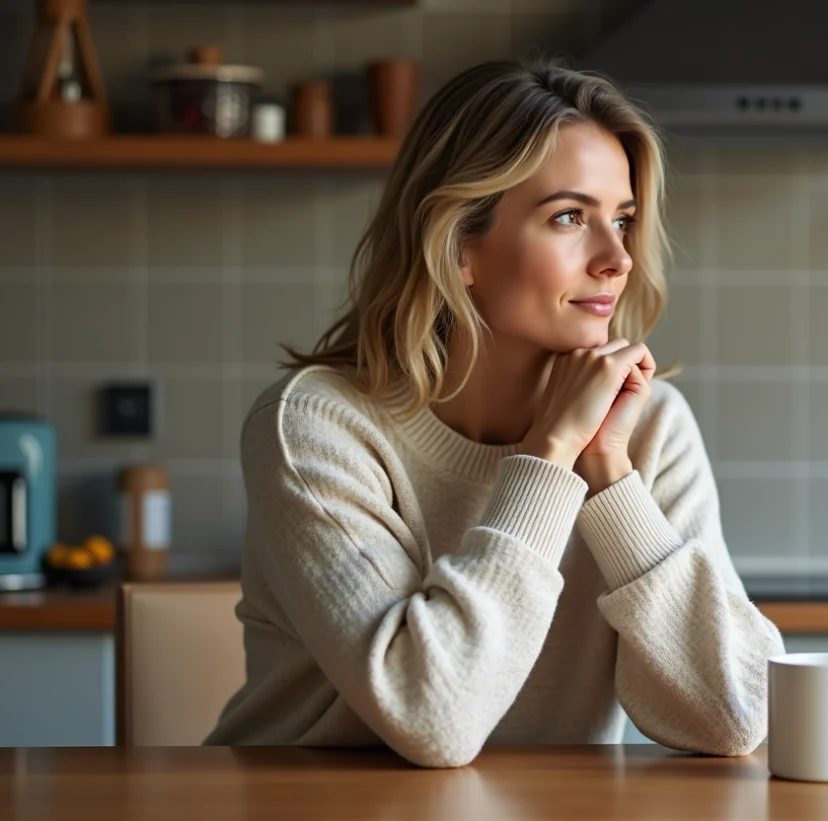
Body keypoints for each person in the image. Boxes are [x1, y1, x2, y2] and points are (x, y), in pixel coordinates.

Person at [204, 58, 785, 768]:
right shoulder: (316, 425)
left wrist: (607, 472)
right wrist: (549, 455)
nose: (617, 259)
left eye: (624, 220)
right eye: (570, 217)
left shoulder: (649, 424)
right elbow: (431, 716)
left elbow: (735, 715)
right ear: (458, 248)